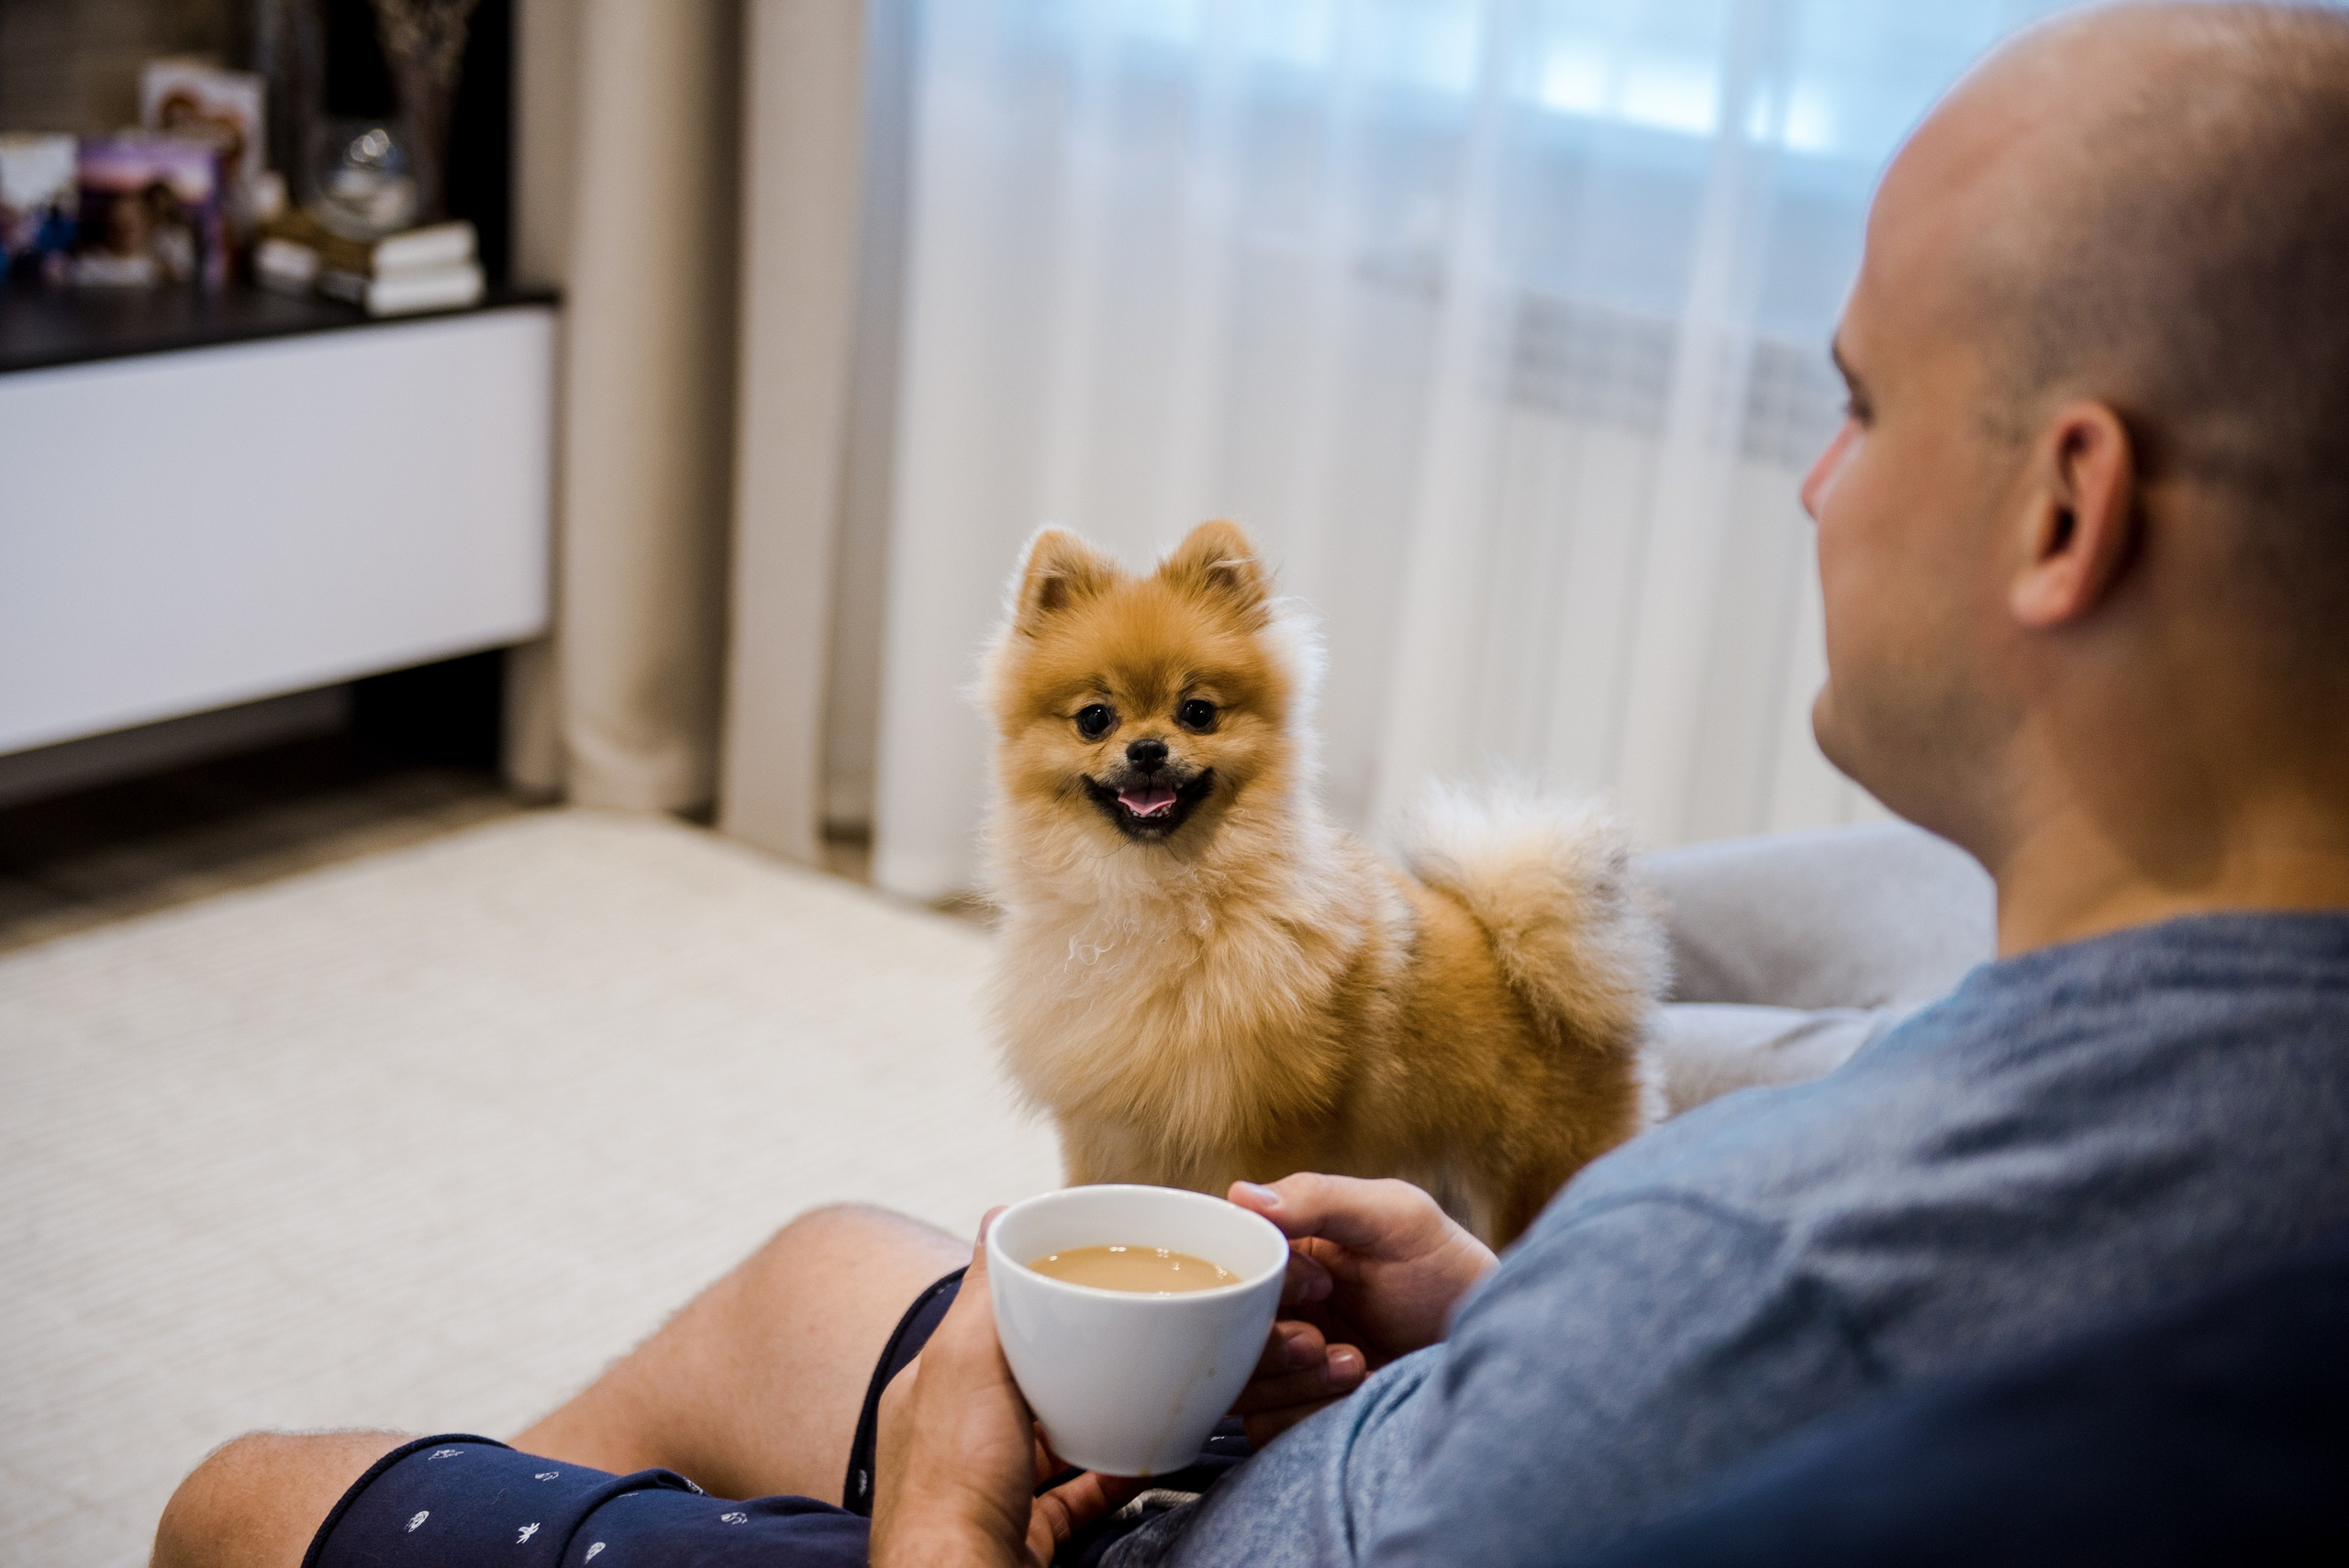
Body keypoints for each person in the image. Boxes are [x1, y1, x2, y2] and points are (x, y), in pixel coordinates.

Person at [154, 4, 2349, 1564]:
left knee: (240, 1497)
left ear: (2065, 511)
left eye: (1857, 401)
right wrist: (1499, 1331)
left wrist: (934, 1510)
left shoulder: (1743, 1268)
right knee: (817, 1264)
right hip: (1421, 1415)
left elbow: (1657, 1362)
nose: (1807, 477)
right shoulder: (2182, 1141)